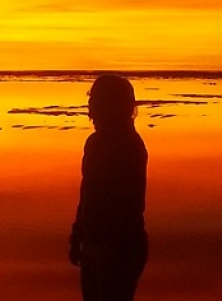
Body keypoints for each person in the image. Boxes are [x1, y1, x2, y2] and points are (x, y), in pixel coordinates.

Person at [69, 74, 148, 301]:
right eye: (91, 102)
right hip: (95, 241)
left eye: (95, 102)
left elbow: (129, 203)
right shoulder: (94, 143)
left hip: (120, 245)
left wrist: (102, 243)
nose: (90, 109)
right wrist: (78, 236)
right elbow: (87, 192)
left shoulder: (129, 145)